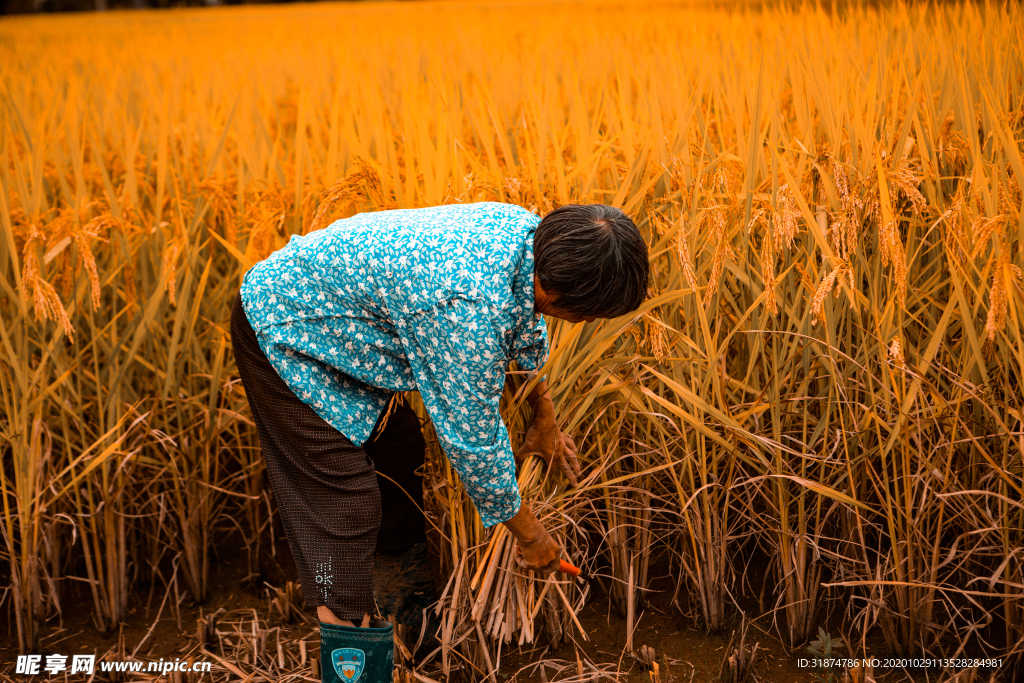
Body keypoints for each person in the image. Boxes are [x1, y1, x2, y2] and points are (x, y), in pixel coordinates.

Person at [229, 201, 649, 683]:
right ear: (552, 287)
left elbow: (522, 321)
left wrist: (543, 415)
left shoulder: (527, 235)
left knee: (398, 448)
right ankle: (353, 659)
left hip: (343, 328)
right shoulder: (465, 308)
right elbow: (473, 443)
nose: (590, 323)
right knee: (342, 504)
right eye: (589, 314)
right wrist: (531, 537)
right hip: (284, 330)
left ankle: (408, 617)